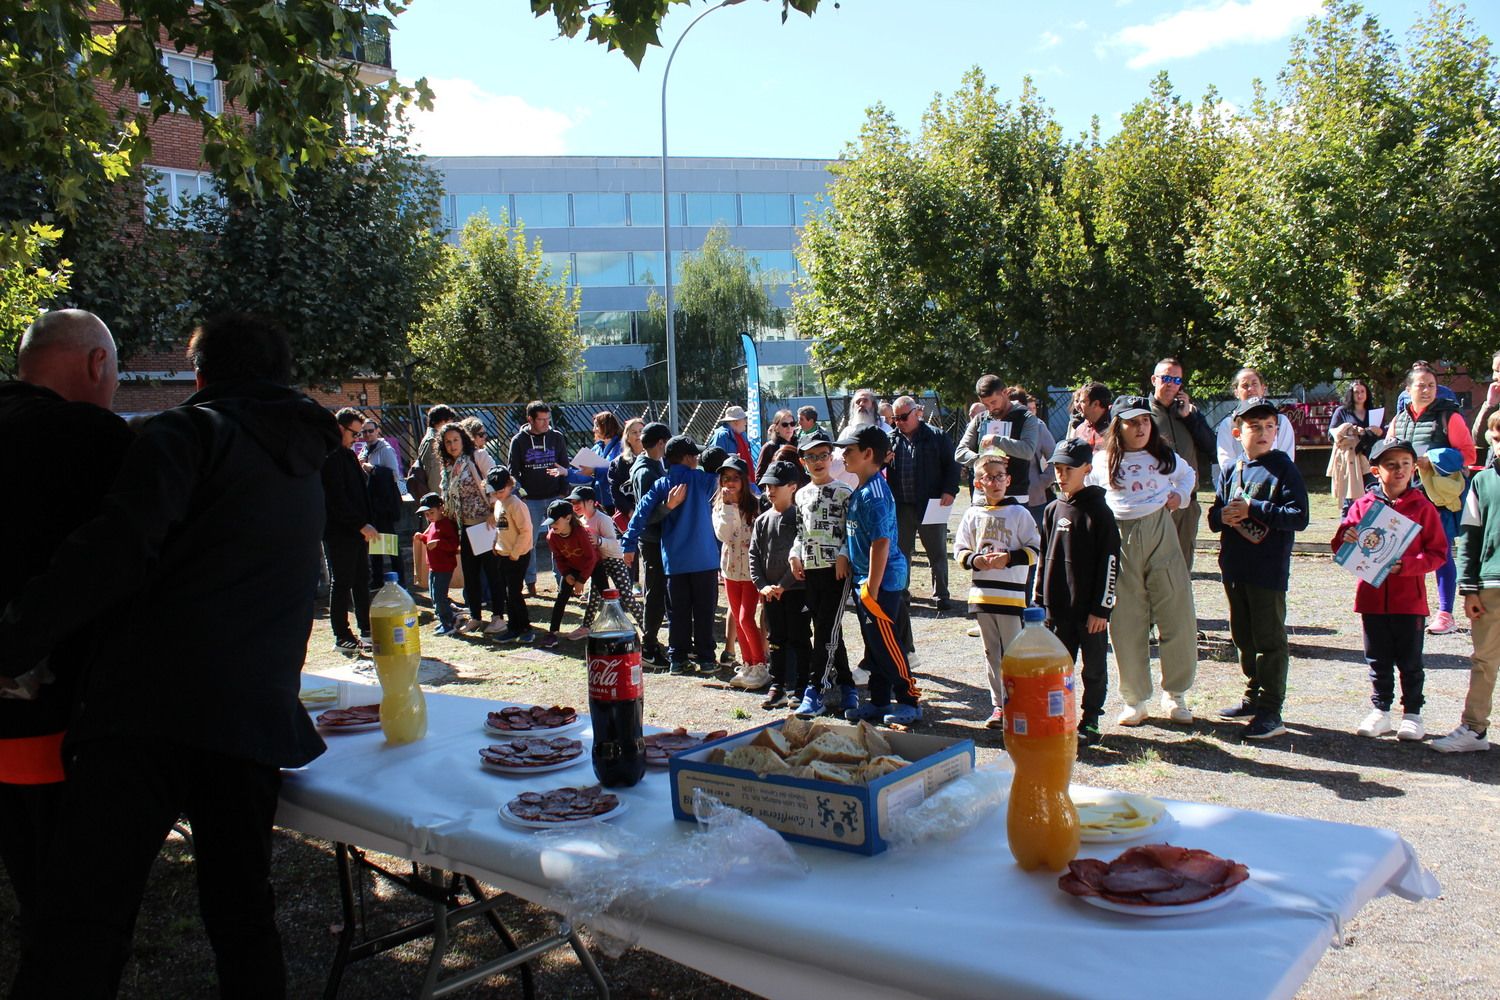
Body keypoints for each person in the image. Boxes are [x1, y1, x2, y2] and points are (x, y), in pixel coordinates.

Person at [0, 311, 338, 998]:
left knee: (82, 921)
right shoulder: (305, 458)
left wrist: (12, 642)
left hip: (150, 712)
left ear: (200, 374)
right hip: (252, 715)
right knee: (244, 920)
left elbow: (113, 549)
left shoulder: (189, 430)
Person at [0, 309, 133, 967]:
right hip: (55, 712)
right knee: (73, 901)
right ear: (95, 364)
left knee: (29, 872)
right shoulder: (88, 438)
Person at [1087, 395, 1199, 727]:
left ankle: (1175, 694)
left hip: (1160, 532)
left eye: (1145, 421)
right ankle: (1135, 699)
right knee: (1126, 620)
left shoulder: (1163, 456)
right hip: (1120, 538)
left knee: (1176, 612)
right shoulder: (1103, 460)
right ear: (1117, 426)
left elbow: (1188, 475)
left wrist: (1180, 497)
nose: (1140, 428)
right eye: (1132, 422)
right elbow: (1090, 494)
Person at [1207, 398, 1310, 741]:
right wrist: (1223, 516)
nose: (1263, 433)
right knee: (1243, 637)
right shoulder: (1232, 470)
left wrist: (1255, 507)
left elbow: (1299, 517)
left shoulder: (1284, 468)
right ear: (1238, 432)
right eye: (1254, 427)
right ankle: (1253, 696)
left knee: (1269, 639)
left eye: (1269, 427)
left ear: (1277, 432)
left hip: (1268, 570)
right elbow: (1213, 516)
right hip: (1235, 567)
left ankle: (1271, 710)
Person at [1334, 438, 1447, 740]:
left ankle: (1412, 714)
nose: (1399, 471)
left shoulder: (1423, 508)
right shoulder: (1362, 506)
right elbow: (1340, 544)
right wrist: (1346, 536)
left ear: (1414, 468)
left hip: (1409, 601)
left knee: (1410, 662)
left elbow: (1438, 553)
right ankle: (1380, 710)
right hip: (1370, 598)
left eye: (1405, 465)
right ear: (1375, 470)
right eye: (1391, 465)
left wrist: (1407, 565)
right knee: (1377, 660)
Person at [1035, 438, 1120, 748]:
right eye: (1057, 468)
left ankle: (1091, 718)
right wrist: (1040, 601)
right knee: (1059, 667)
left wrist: (1102, 609)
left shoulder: (1099, 512)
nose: (1061, 475)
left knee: (1094, 667)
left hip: (1090, 613)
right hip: (1056, 610)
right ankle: (1061, 717)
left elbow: (1111, 563)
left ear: (1086, 468)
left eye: (1068, 469)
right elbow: (1044, 558)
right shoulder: (1052, 510)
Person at [838, 424, 923, 726]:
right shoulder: (863, 488)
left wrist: (871, 588)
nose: (843, 456)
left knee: (888, 643)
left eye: (848, 451)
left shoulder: (874, 493)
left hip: (881, 584)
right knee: (873, 643)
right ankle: (879, 699)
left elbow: (881, 543)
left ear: (868, 454)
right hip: (866, 582)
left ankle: (909, 699)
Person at [622, 434, 722, 676]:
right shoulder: (703, 480)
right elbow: (722, 478)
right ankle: (706, 658)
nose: (697, 459)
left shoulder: (662, 484)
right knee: (704, 611)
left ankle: (678, 658)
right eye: (695, 455)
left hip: (674, 561)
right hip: (704, 559)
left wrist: (628, 544)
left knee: (677, 612)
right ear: (688, 458)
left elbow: (639, 514)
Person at [953, 450, 1039, 730]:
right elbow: (960, 549)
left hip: (1011, 596)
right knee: (991, 653)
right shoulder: (973, 514)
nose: (994, 482)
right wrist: (975, 560)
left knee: (1013, 652)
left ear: (1009, 479)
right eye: (988, 478)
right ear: (978, 483)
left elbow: (1035, 548)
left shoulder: (1019, 513)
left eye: (999, 476)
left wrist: (1009, 558)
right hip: (982, 595)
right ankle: (999, 706)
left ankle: (1020, 702)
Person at [1388, 362, 1476, 636]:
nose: (1426, 390)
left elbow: (1469, 455)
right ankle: (1409, 609)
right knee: (1403, 552)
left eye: (1431, 386)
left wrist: (1434, 460)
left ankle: (1446, 613)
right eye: (1420, 385)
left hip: (1436, 497)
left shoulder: (1448, 416)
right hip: (1404, 496)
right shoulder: (1399, 419)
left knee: (1440, 554)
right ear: (1407, 389)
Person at [1435, 411, 1500, 752]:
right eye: (1498, 435)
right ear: (1492, 440)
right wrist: (1469, 588)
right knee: (1484, 660)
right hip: (1491, 585)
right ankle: (1474, 729)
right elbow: (1469, 538)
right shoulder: (1482, 482)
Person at [789, 430, 858, 718]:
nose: (817, 461)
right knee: (830, 630)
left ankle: (815, 689)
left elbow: (852, 532)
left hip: (836, 572)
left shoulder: (844, 491)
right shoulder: (801, 494)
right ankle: (847, 685)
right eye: (811, 457)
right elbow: (800, 532)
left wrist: (844, 555)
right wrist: (794, 554)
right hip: (810, 571)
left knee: (825, 631)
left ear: (831, 458)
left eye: (822, 455)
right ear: (803, 462)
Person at [886, 396, 960, 612]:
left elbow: (952, 466)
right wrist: (883, 460)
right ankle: (902, 593)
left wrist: (949, 491)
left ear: (916, 413)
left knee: (936, 551)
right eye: (895, 418)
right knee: (902, 552)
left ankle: (942, 595)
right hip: (901, 505)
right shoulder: (890, 440)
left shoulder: (936, 436)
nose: (899, 421)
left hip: (932, 503)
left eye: (903, 417)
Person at [750, 461, 811, 710]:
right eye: (766, 485)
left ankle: (800, 686)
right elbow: (754, 554)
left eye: (776, 485)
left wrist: (784, 584)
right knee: (775, 638)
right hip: (770, 594)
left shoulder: (800, 517)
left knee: (799, 637)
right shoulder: (762, 520)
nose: (770, 490)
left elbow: (804, 554)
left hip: (795, 591)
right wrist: (762, 585)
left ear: (793, 487)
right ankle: (778, 684)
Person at [1147, 358, 1215, 570]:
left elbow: (1212, 449)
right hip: (1155, 503)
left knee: (1182, 569)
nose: (1171, 384)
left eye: (1176, 380)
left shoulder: (1189, 413)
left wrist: (1188, 418)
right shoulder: (1143, 414)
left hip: (1187, 503)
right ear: (1154, 380)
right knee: (1154, 567)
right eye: (1166, 378)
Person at [439, 422, 504, 635]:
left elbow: (496, 482)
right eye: (448, 442)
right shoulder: (448, 467)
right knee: (471, 574)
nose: (452, 445)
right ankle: (476, 617)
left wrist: (493, 509)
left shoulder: (478, 457)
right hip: (464, 528)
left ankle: (498, 617)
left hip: (485, 524)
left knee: (493, 573)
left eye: (455, 440)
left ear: (463, 439)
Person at [324, 407, 378, 651]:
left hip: (357, 531)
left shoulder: (345, 454)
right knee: (343, 581)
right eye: (354, 434)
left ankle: (366, 629)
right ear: (340, 428)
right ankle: (342, 635)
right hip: (341, 532)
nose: (358, 439)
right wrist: (360, 524)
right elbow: (336, 499)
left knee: (361, 579)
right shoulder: (330, 455)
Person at [714, 456, 769, 689]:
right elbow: (723, 535)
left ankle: (760, 665)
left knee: (747, 617)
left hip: (751, 570)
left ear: (745, 481)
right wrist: (727, 507)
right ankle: (748, 664)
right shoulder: (719, 506)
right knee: (737, 618)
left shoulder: (756, 505)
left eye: (736, 478)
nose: (731, 483)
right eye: (726, 478)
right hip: (730, 570)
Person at [507, 400, 570, 595]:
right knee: (529, 542)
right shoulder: (519, 441)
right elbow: (513, 472)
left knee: (559, 539)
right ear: (530, 419)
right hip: (530, 501)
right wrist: (521, 496)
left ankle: (563, 581)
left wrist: (562, 493)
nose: (545, 423)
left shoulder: (556, 437)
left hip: (554, 497)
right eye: (541, 419)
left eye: (547, 419)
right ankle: (531, 583)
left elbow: (564, 464)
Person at [566, 485, 642, 639]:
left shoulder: (603, 519)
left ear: (590, 502)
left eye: (577, 502)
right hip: (598, 564)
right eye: (572, 503)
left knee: (626, 596)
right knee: (593, 597)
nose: (575, 507)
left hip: (613, 560)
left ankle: (646, 626)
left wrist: (598, 540)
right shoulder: (581, 521)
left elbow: (615, 544)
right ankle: (586, 627)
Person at [955, 373, 1040, 500]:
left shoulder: (1026, 418)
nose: (991, 408)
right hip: (982, 494)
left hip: (1015, 494)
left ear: (1004, 393)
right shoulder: (980, 419)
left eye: (994, 402)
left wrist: (996, 440)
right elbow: (960, 452)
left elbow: (1028, 451)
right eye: (986, 404)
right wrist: (983, 459)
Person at [629, 422, 673, 666]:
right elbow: (647, 512)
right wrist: (670, 506)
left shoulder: (653, 465)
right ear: (660, 443)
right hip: (651, 539)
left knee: (658, 591)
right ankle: (649, 647)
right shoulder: (646, 471)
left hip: (657, 537)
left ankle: (652, 643)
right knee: (654, 593)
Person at [486, 465, 537, 644]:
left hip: (517, 556)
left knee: (515, 593)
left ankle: (525, 628)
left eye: (501, 491)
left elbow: (526, 531)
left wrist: (515, 553)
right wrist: (495, 543)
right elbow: (501, 528)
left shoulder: (515, 504)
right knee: (508, 593)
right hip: (503, 554)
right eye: (495, 492)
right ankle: (513, 627)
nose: (498, 495)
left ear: (510, 485)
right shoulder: (500, 503)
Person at [1213, 367, 1298, 472]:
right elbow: (1226, 462)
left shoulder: (1281, 421)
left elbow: (1287, 458)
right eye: (1245, 385)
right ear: (1236, 392)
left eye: (1254, 384)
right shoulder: (1228, 424)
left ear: (1263, 388)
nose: (1250, 389)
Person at [542, 500, 598, 650]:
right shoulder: (552, 536)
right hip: (571, 568)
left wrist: (581, 580)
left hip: (594, 565)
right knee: (561, 598)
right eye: (550, 522)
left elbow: (591, 558)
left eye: (555, 522)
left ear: (567, 518)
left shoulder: (580, 533)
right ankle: (552, 632)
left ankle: (615, 628)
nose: (552, 526)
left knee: (605, 593)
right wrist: (566, 574)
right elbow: (558, 557)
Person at [1327, 380, 1382, 516]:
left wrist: (1380, 431)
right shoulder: (1342, 411)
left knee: (1372, 497)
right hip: (1350, 461)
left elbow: (1382, 436)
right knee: (1349, 501)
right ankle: (1346, 530)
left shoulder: (1373, 411)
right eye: (1356, 392)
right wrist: (1350, 430)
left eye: (1362, 391)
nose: (1360, 395)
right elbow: (1331, 434)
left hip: (1370, 459)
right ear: (1350, 394)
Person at [416, 492, 461, 635]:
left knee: (439, 595)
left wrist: (439, 543)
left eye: (431, 512)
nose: (429, 517)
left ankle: (449, 622)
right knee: (434, 595)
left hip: (444, 566)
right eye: (426, 514)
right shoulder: (433, 525)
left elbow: (453, 545)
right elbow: (430, 542)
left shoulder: (446, 524)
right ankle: (445, 618)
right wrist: (422, 537)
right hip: (434, 566)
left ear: (441, 508)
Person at [568, 410, 621, 510]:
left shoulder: (621, 447)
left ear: (606, 426)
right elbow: (584, 475)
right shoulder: (597, 447)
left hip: (616, 501)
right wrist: (566, 473)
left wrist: (595, 470)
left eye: (596, 426)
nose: (593, 430)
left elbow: (616, 470)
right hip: (599, 501)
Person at [409, 403, 457, 495]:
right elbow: (435, 476)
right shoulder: (433, 442)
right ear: (441, 421)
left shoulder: (432, 439)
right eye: (450, 420)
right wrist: (439, 500)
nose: (452, 424)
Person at [757, 408, 799, 480]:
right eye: (785, 424)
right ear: (776, 427)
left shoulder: (799, 445)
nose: (789, 427)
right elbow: (759, 477)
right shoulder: (769, 447)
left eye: (792, 424)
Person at [1468, 350, 1500, 444]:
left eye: (1498, 371)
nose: (1494, 377)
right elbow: (1477, 440)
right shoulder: (1496, 404)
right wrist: (1489, 405)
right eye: (1494, 371)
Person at [1068, 382, 1112, 448]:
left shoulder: (1115, 427)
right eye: (1078, 401)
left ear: (1095, 404)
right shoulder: (1080, 430)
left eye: (1082, 402)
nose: (1078, 406)